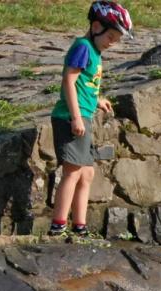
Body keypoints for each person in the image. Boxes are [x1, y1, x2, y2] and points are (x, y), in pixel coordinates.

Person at [48, 1, 133, 237]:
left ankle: (80, 225)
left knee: (87, 173)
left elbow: (84, 83)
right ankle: (58, 225)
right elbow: (69, 81)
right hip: (70, 118)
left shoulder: (94, 51)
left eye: (117, 39)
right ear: (96, 26)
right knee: (72, 172)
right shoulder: (84, 47)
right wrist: (76, 117)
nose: (113, 42)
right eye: (111, 37)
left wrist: (97, 100)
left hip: (83, 114)